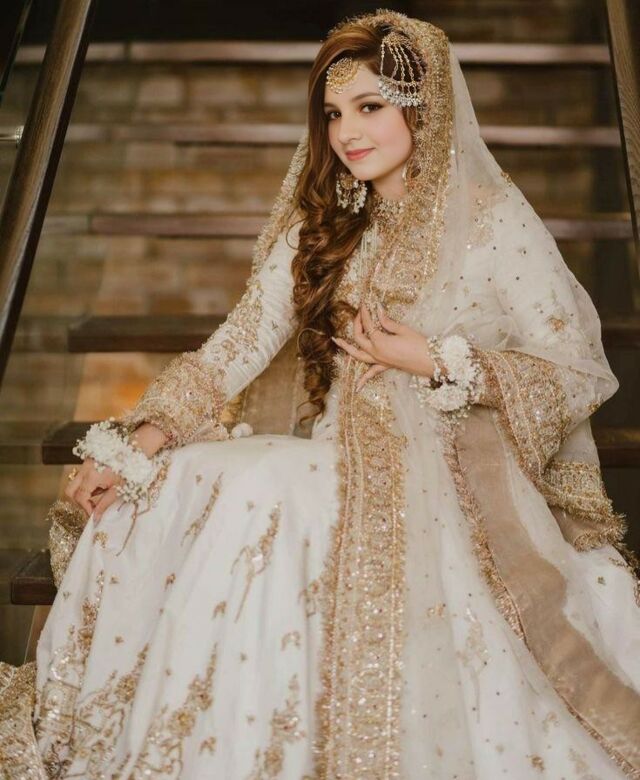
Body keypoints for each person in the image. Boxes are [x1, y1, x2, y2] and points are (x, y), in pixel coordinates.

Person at [1, 8, 639, 778]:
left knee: (260, 488)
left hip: (449, 476)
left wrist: (436, 359)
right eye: (334, 113)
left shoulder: (492, 219)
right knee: (178, 481)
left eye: (369, 107)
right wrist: (140, 439)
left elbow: (577, 368)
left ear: (424, 109)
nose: (346, 132)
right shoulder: (331, 217)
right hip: (341, 458)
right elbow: (243, 338)